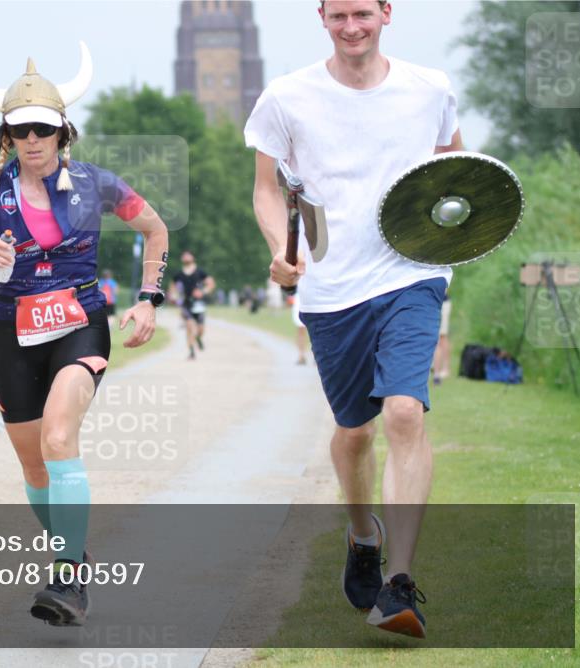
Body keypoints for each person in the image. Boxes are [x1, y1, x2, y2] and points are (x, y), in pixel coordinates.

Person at [0, 44, 169, 627]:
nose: (32, 139)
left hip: (79, 324)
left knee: (60, 438)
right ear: (5, 138)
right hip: (11, 330)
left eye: (43, 128)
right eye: (20, 130)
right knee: (35, 467)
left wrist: (147, 299)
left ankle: (67, 576)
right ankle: (74, 547)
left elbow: (155, 229)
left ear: (63, 132)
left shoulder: (95, 184)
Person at [246, 0, 463, 638]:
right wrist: (276, 253)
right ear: (322, 17)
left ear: (386, 13)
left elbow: (456, 170)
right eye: (338, 15)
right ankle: (362, 533)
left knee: (403, 412)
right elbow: (265, 189)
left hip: (412, 272)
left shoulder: (431, 89)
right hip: (331, 285)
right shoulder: (287, 97)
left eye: (362, 13)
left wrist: (460, 229)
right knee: (356, 432)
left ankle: (398, 584)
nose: (352, 27)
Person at [168, 251, 215, 360]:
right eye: (184, 255)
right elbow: (172, 287)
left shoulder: (200, 272)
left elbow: (211, 284)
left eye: (188, 255)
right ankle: (192, 352)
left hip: (199, 304)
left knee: (200, 329)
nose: (186, 257)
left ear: (193, 257)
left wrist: (203, 292)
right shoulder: (178, 274)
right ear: (182, 259)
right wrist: (173, 296)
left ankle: (198, 338)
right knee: (189, 327)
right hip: (186, 304)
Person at [432, 291, 452, 384]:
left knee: (441, 337)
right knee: (440, 337)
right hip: (432, 302)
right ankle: (438, 370)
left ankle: (442, 370)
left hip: (442, 302)